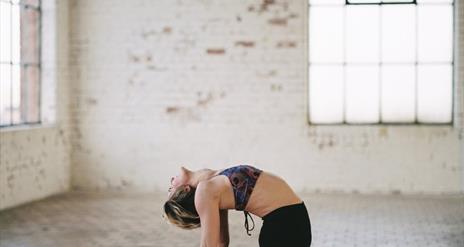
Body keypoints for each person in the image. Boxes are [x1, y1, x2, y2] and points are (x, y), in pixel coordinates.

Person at [163, 164, 312, 247]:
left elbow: (221, 243)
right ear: (185, 190)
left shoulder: (211, 183)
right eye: (171, 189)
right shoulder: (205, 192)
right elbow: (216, 244)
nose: (171, 180)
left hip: (288, 223)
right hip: (285, 226)